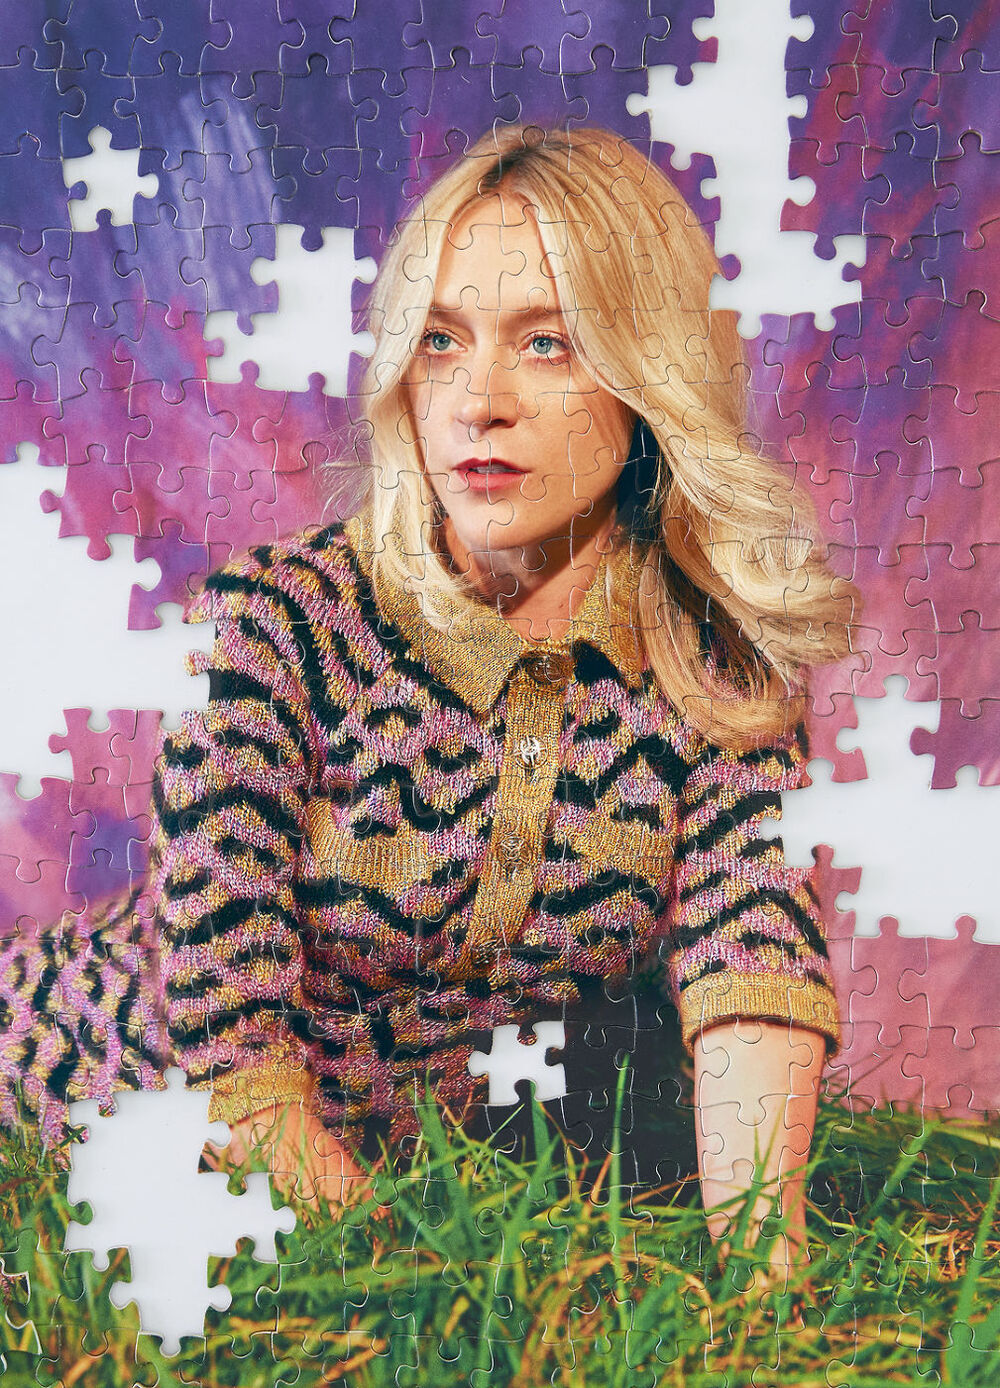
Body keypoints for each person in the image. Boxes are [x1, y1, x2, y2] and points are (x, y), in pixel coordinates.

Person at [1, 124, 856, 1284]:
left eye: (547, 342)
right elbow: (228, 1046)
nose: (476, 400)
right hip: (101, 1098)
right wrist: (432, 1294)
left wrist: (763, 1277)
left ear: (648, 371)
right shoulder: (266, 626)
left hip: (416, 1160)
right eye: (442, 340)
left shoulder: (715, 667)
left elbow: (751, 959)